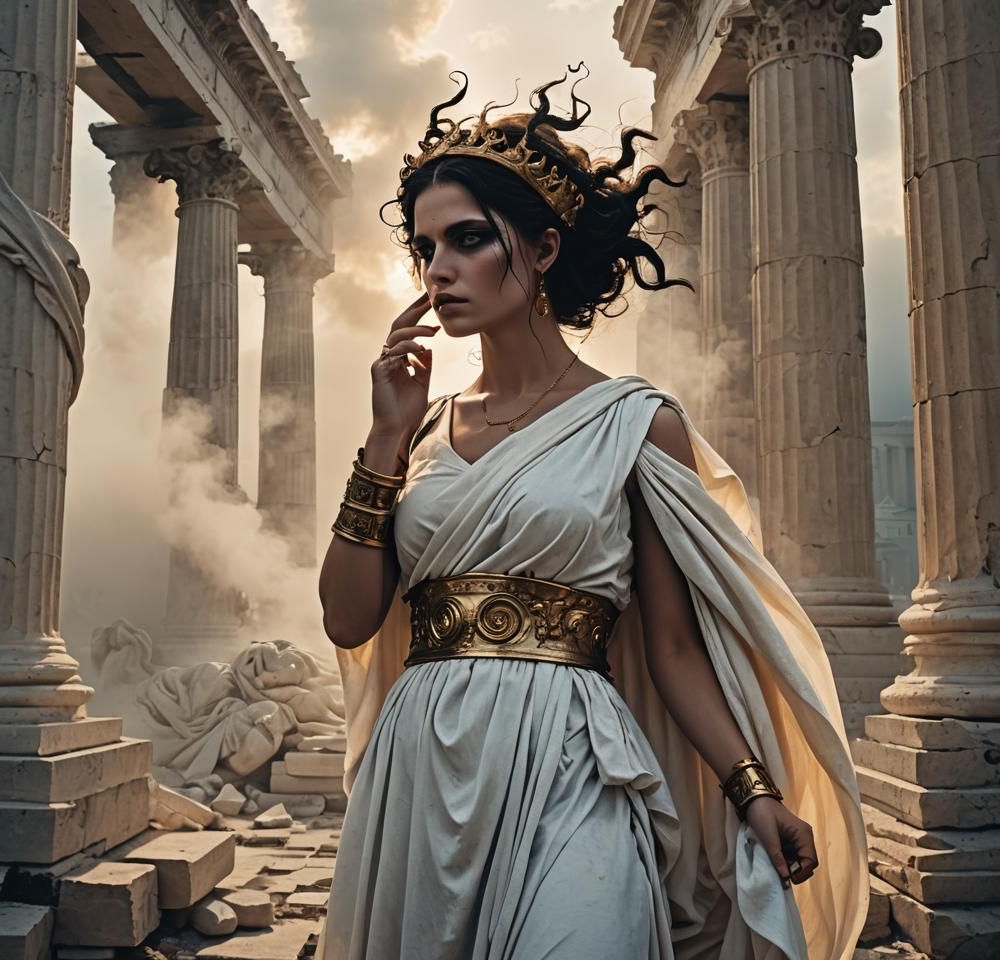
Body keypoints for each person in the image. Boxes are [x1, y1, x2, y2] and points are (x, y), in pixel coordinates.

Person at [317, 65, 868, 959]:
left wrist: (753, 790)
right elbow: (348, 620)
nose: (439, 269)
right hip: (422, 757)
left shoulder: (636, 424)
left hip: (576, 754)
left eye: (466, 239)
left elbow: (675, 648)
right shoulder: (416, 433)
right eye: (425, 248)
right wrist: (383, 437)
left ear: (542, 249)